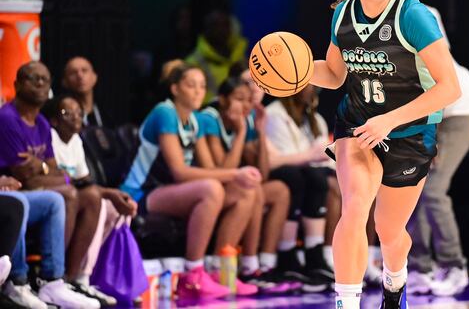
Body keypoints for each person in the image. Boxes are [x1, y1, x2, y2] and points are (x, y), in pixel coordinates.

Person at [308, 0, 460, 309]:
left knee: (389, 231)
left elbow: (450, 88)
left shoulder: (413, 15)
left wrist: (389, 121)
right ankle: (347, 301)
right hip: (358, 125)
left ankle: (394, 284)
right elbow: (333, 73)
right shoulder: (343, 15)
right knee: (356, 206)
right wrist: (292, 74)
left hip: (409, 130)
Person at [119, 63, 260, 300]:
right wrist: (235, 174)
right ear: (174, 89)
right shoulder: (164, 112)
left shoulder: (194, 121)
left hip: (169, 191)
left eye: (202, 86)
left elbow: (212, 170)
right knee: (212, 189)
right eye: (190, 85)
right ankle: (192, 274)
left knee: (246, 192)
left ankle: (219, 271)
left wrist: (239, 159)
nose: (197, 91)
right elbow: (180, 172)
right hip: (141, 192)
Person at [396, 0, 469, 296]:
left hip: (459, 109)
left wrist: (428, 137)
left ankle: (454, 265)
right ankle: (419, 267)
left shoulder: (421, 13)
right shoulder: (380, 26)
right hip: (424, 113)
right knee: (409, 187)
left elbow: (434, 75)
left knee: (433, 189)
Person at [0, 62, 104, 308]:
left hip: (24, 191)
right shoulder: (7, 119)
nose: (39, 84)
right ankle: (19, 281)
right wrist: (49, 173)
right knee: (26, 200)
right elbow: (25, 176)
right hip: (11, 192)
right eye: (32, 78)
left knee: (67, 197)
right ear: (16, 85)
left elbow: (57, 172)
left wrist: (44, 168)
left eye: (44, 80)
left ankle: (57, 280)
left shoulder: (43, 124)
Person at [199, 75, 294, 294]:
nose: (245, 105)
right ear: (223, 100)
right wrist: (241, 132)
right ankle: (222, 268)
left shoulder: (246, 119)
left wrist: (260, 132)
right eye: (239, 99)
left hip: (228, 185)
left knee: (279, 190)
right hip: (209, 185)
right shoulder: (209, 118)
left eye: (247, 100)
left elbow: (263, 172)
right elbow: (221, 170)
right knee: (250, 191)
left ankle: (261, 265)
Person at [43, 94, 140, 305]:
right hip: (55, 196)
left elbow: (83, 180)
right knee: (97, 199)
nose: (76, 118)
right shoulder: (49, 136)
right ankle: (61, 278)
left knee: (111, 207)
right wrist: (107, 192)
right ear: (54, 120)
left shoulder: (76, 140)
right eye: (67, 113)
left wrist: (112, 194)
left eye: (79, 113)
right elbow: (60, 178)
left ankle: (82, 277)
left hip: (73, 194)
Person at [264, 84, 336, 292]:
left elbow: (324, 155)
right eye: (308, 86)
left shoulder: (315, 119)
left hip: (309, 171)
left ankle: (317, 254)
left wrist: (318, 156)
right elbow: (285, 158)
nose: (312, 91)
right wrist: (313, 155)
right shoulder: (275, 115)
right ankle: (287, 254)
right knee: (302, 177)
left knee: (327, 180)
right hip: (280, 170)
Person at [62, 56, 109, 127]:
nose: (80, 76)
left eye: (84, 70)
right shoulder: (62, 117)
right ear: (65, 82)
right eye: (73, 72)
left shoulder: (106, 114)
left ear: (94, 77)